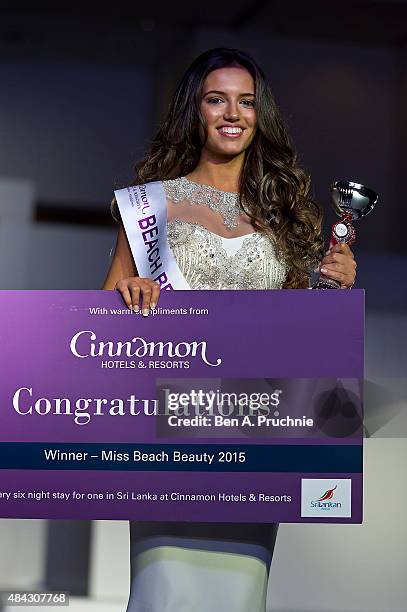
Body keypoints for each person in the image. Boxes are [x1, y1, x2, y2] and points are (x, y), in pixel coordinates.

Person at [103, 47, 356, 612]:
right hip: (170, 435)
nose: (232, 113)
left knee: (239, 596)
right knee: (164, 592)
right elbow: (101, 322)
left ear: (259, 115)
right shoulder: (150, 206)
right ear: (194, 111)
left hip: (252, 436)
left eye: (246, 101)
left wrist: (335, 289)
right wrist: (129, 295)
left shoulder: (281, 218)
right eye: (216, 99)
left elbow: (300, 334)